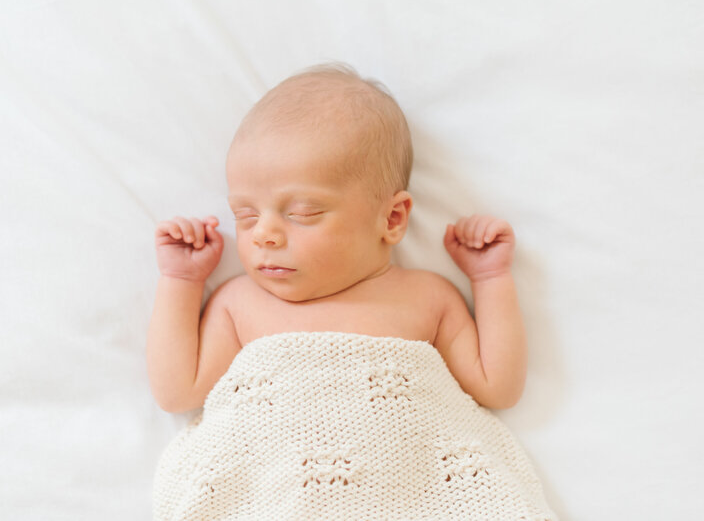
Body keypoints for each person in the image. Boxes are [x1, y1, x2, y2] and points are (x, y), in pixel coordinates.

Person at [147, 63, 526, 415]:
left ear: (392, 218)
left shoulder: (428, 299)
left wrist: (490, 280)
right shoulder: (239, 303)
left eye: (303, 213)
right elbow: (178, 395)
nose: (263, 234)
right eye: (245, 217)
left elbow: (498, 389)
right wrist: (181, 282)